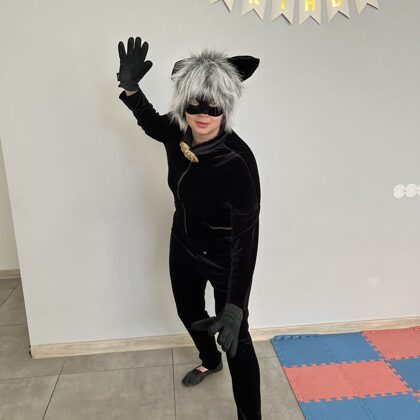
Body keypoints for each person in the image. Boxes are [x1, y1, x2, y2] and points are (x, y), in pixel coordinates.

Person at [117, 36, 262, 420]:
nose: (202, 115)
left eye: (213, 107)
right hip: (182, 243)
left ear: (225, 107)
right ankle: (209, 360)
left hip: (225, 257)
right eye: (194, 105)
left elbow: (246, 240)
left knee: (237, 340)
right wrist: (131, 89)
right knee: (188, 311)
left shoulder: (238, 163)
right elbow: (151, 123)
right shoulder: (177, 129)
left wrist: (236, 306)